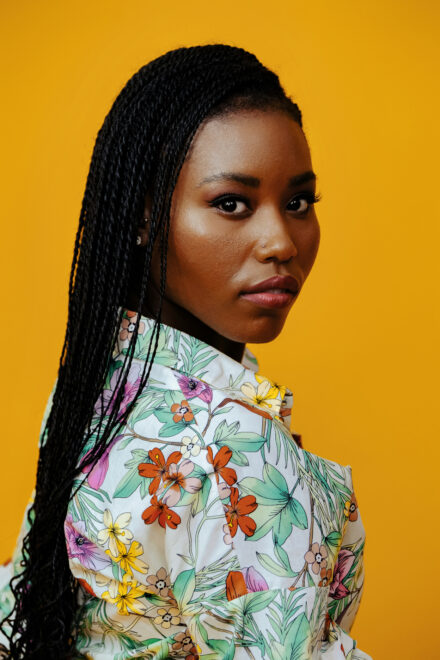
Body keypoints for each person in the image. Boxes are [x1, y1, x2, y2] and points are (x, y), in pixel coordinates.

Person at [0, 44, 372, 659]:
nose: (281, 241)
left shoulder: (99, 384)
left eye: (298, 202)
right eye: (231, 203)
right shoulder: (237, 453)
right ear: (143, 216)